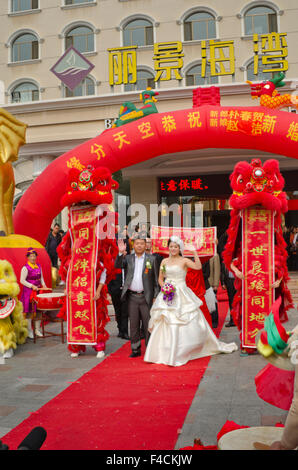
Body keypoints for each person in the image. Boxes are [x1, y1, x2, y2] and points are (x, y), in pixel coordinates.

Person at [144, 236, 238, 367]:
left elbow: (198, 266)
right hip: (168, 293)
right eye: (171, 246)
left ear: (179, 248)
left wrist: (194, 252)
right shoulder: (164, 262)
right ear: (168, 248)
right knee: (166, 319)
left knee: (184, 319)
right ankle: (163, 351)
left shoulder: (184, 261)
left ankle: (184, 349)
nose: (173, 249)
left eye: (175, 247)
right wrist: (165, 287)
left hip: (182, 291)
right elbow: (161, 278)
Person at [116, 235, 159, 358]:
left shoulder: (152, 259)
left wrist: (155, 296)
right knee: (133, 324)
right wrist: (120, 254)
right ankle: (135, 349)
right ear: (133, 245)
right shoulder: (128, 258)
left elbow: (156, 280)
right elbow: (117, 266)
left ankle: (150, 349)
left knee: (148, 324)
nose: (139, 245)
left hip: (146, 297)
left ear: (146, 245)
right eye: (137, 243)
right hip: (132, 297)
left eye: (142, 243)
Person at [20, 248, 48, 339]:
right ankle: (29, 331)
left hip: (38, 290)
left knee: (39, 310)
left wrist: (44, 285)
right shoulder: (25, 267)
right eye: (31, 256)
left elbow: (42, 278)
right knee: (29, 312)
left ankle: (37, 329)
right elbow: (22, 280)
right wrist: (31, 286)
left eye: (34, 256)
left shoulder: (39, 266)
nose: (33, 258)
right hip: (29, 292)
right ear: (28, 257)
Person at [108, 270, 129, 340]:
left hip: (126, 292)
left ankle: (125, 332)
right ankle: (120, 330)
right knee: (118, 312)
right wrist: (110, 292)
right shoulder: (115, 267)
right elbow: (109, 279)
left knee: (125, 312)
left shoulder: (128, 266)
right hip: (115, 292)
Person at [208, 253, 221, 328]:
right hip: (201, 282)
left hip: (211, 282)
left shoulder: (215, 254)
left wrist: (216, 284)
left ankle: (214, 320)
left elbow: (217, 270)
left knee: (213, 302)